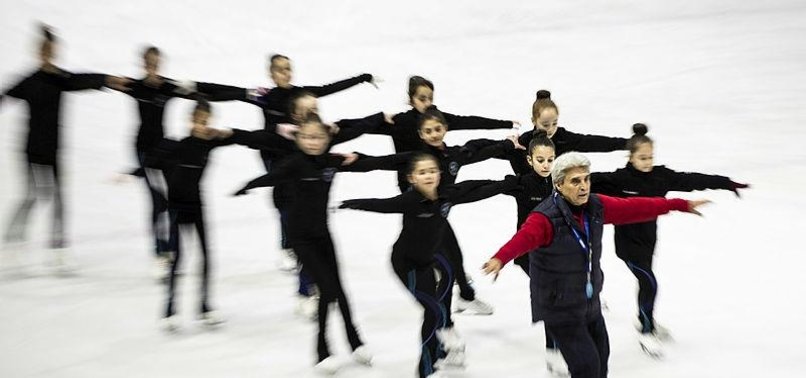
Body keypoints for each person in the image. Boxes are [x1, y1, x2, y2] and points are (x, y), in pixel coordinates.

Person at [482, 152, 710, 378]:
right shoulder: (544, 218)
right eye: (575, 181)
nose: (583, 186)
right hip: (559, 308)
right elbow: (522, 239)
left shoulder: (595, 206)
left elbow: (635, 207)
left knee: (601, 361)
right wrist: (500, 258)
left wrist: (680, 204)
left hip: (589, 302)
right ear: (559, 185)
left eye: (586, 179)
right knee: (587, 367)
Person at [233, 113, 408, 375]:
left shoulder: (331, 161)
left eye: (318, 137)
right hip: (300, 236)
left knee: (339, 287)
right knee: (327, 289)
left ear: (327, 139)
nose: (313, 142)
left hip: (323, 234)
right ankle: (322, 350)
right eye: (307, 137)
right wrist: (249, 184)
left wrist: (406, 159)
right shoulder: (293, 164)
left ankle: (354, 340)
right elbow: (272, 177)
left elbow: (372, 163)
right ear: (299, 138)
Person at [340, 153, 519, 378]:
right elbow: (382, 205)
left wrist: (509, 183)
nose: (428, 176)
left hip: (430, 259)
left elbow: (474, 189)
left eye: (432, 171)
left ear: (440, 174)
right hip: (408, 265)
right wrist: (351, 204)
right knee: (432, 312)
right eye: (422, 172)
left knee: (448, 278)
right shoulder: (410, 200)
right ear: (412, 178)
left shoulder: (445, 196)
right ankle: (426, 369)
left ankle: (443, 344)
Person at [590, 123, 749, 356]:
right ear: (631, 157)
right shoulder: (618, 179)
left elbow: (692, 180)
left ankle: (646, 320)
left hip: (648, 241)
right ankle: (645, 331)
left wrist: (725, 182)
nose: (647, 162)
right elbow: (581, 179)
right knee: (649, 283)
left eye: (650, 157)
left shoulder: (660, 177)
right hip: (627, 245)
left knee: (646, 283)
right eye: (642, 157)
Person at [0, 24, 129, 270]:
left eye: (52, 49)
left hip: (53, 149)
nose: (49, 53)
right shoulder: (29, 81)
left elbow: (82, 80)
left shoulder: (60, 79)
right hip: (31, 149)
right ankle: (12, 242)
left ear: (55, 51)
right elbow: (5, 95)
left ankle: (59, 249)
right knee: (32, 195)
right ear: (38, 52)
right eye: (45, 49)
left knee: (58, 198)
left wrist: (108, 80)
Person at [506, 90, 627, 176]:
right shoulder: (524, 142)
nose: (551, 129)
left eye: (555, 123)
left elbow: (591, 142)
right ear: (534, 121)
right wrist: (508, 146)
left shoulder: (563, 137)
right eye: (545, 125)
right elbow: (497, 150)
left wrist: (627, 144)